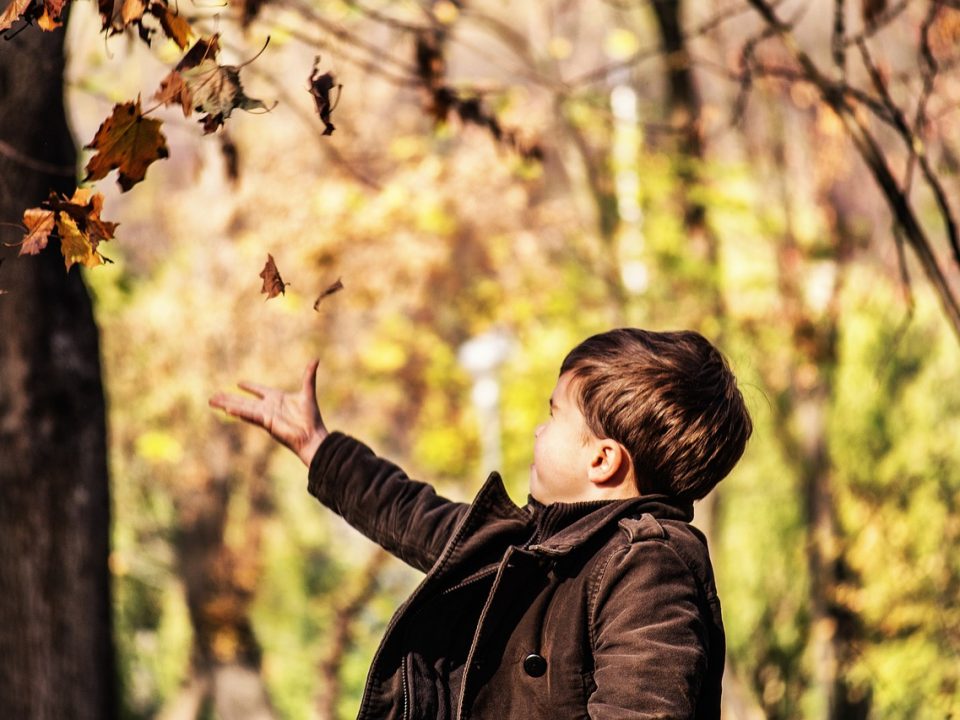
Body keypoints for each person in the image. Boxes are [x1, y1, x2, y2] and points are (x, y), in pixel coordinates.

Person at [209, 328, 752, 719]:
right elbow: (412, 515)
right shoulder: (534, 545)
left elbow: (644, 708)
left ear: (603, 460)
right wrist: (317, 447)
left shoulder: (648, 564)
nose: (539, 432)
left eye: (554, 415)